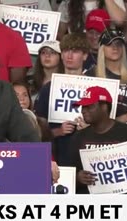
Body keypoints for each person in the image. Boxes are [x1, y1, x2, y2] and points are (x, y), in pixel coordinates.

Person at [68, 86, 127, 194]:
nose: (83, 111)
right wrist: (77, 178)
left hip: (126, 201)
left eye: (89, 106)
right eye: (82, 107)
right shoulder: (78, 137)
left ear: (104, 107)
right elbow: (67, 174)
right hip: (91, 202)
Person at [34, 33, 90, 166]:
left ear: (85, 55)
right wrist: (58, 131)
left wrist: (89, 129)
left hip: (87, 154)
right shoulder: (49, 88)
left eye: (75, 51)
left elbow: (106, 125)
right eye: (65, 51)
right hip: (58, 154)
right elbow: (38, 128)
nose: (69, 56)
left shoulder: (95, 86)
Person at [86, 29, 127, 124]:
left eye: (118, 44)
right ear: (102, 48)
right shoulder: (91, 75)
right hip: (97, 127)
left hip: (125, 128)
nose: (115, 48)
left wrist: (124, 118)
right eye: (110, 44)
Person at [57, 0, 126, 38]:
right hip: (78, 50)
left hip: (104, 47)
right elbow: (60, 34)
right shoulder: (68, 2)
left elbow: (119, 21)